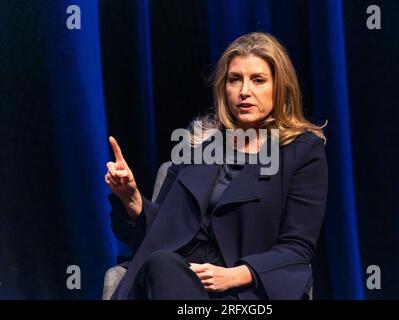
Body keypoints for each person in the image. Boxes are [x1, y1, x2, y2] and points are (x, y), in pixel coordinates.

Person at [104, 32, 328, 300]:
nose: (245, 91)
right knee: (161, 263)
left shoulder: (302, 151)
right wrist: (131, 199)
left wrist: (233, 275)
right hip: (175, 279)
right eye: (235, 80)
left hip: (244, 292)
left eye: (258, 80)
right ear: (224, 87)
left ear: (280, 87)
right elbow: (162, 232)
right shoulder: (200, 146)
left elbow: (297, 249)